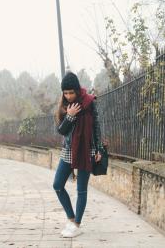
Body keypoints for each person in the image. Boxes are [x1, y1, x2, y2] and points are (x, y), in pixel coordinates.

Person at [53, 71, 102, 238]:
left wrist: (98, 149)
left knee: (81, 190)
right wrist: (70, 116)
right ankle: (71, 218)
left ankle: (77, 224)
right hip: (68, 150)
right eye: (65, 93)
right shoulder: (64, 106)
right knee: (57, 185)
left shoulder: (89, 103)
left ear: (77, 90)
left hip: (86, 150)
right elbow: (61, 130)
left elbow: (96, 126)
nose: (68, 96)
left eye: (71, 92)